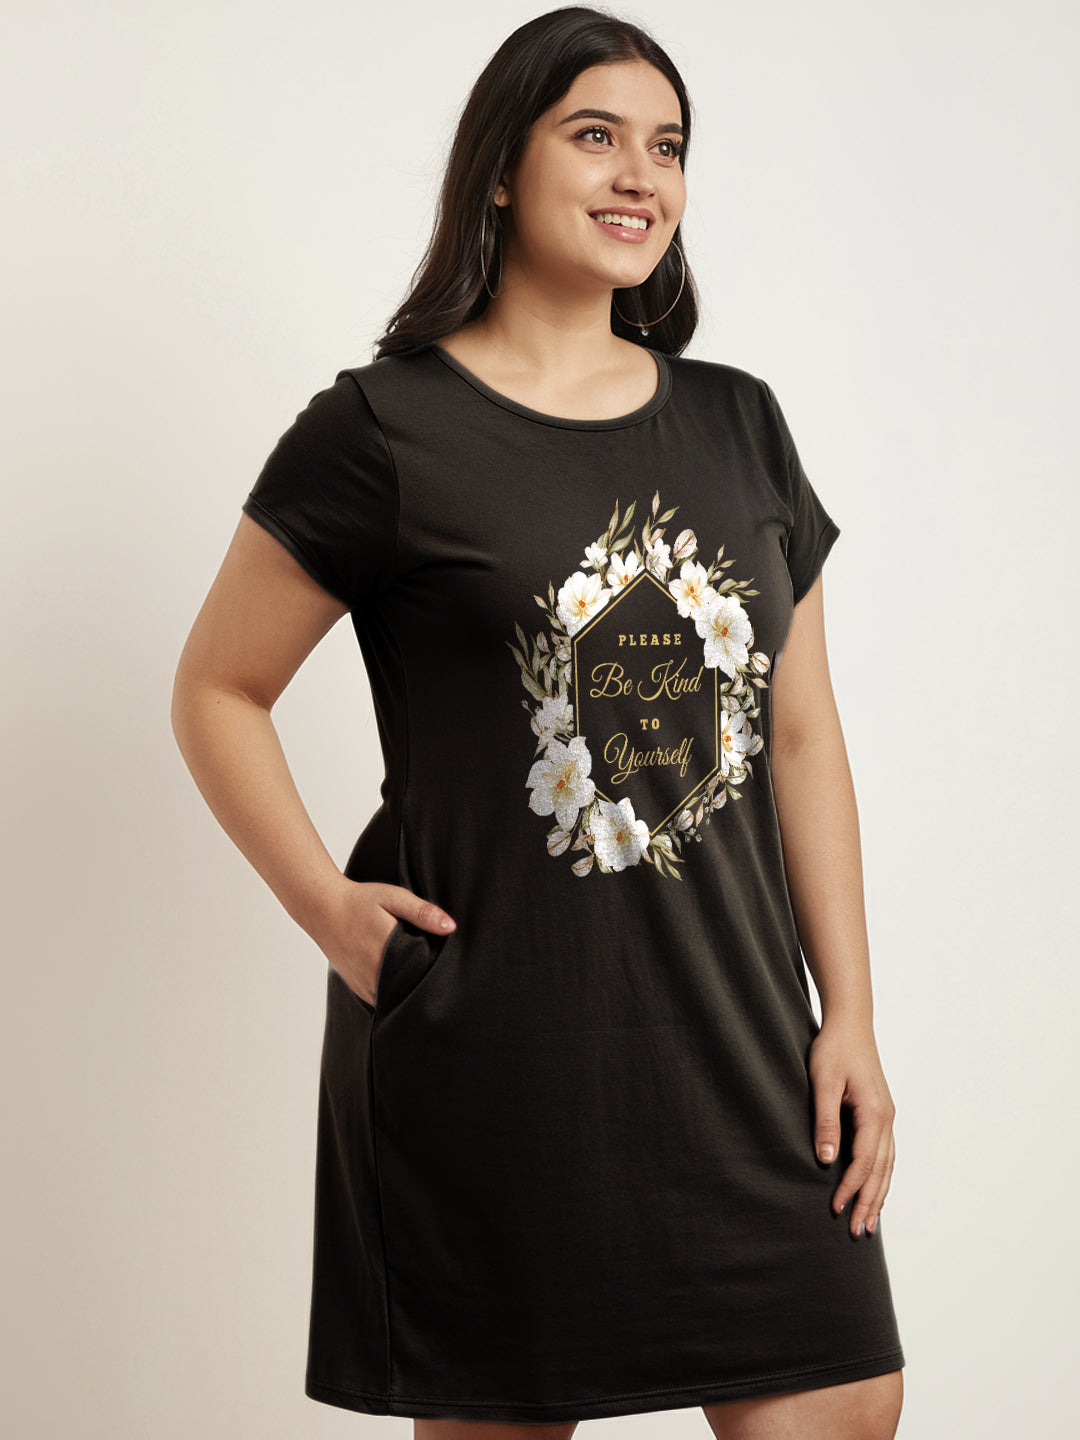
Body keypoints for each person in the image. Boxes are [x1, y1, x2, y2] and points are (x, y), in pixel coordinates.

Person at [171, 7, 906, 1438]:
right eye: (596, 135)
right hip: (495, 1054)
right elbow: (217, 686)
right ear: (501, 168)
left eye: (668, 147)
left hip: (744, 1045)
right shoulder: (385, 429)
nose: (640, 176)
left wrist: (853, 1018)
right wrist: (325, 907)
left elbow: (804, 740)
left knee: (844, 1406)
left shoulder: (741, 425)